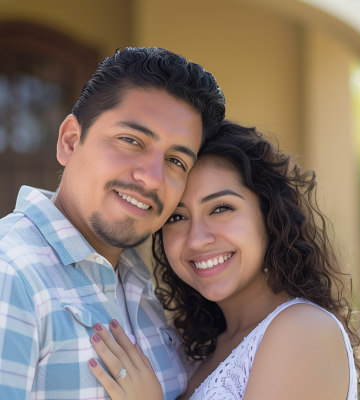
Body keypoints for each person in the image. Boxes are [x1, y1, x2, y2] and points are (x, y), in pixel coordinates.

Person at [88, 121, 360, 400]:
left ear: (269, 215)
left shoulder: (305, 330)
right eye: (177, 217)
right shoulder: (198, 349)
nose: (196, 239)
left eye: (221, 208)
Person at [0, 47, 225, 399]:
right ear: (71, 141)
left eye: (176, 161)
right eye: (131, 141)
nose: (151, 178)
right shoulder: (11, 274)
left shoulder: (140, 283)